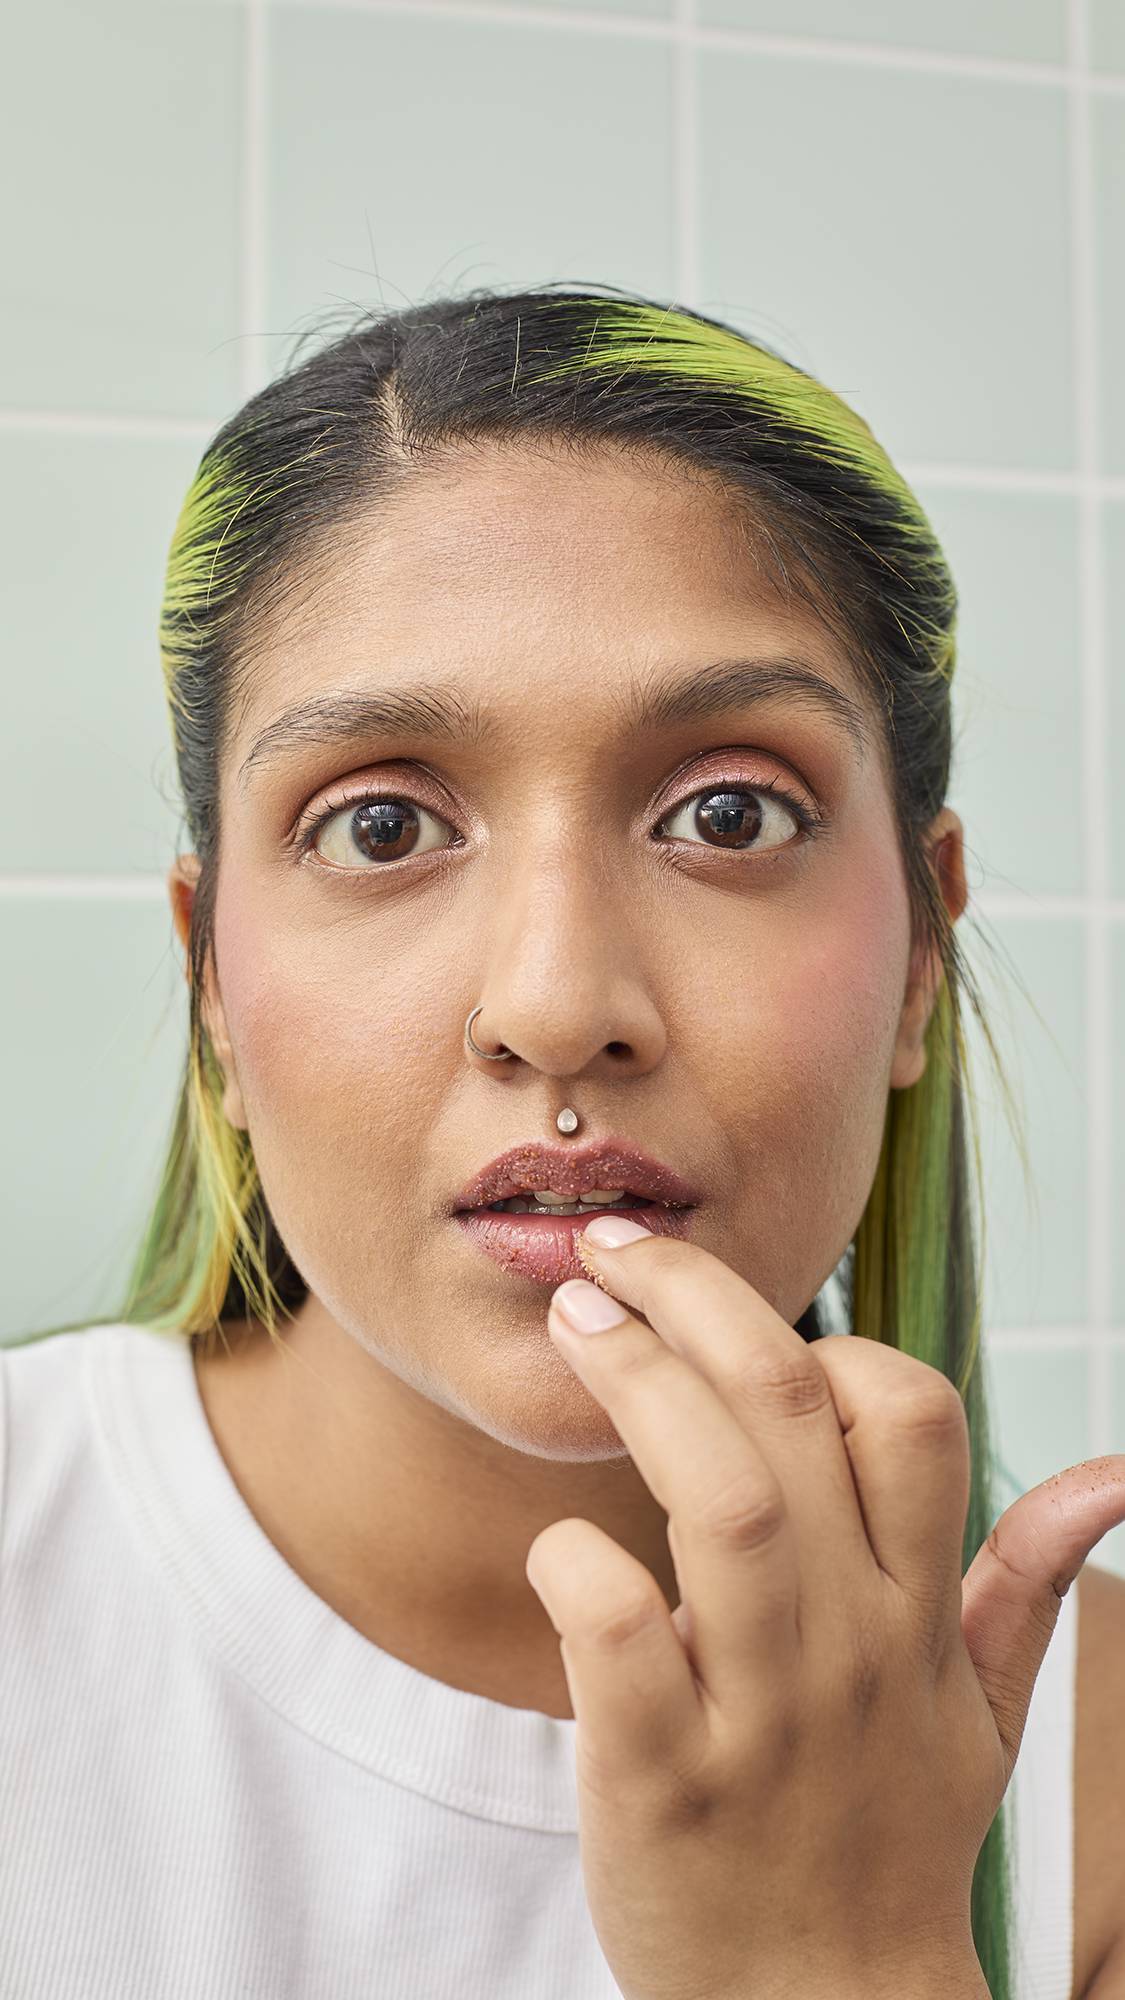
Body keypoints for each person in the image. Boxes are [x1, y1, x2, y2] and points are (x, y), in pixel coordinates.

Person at [3, 285, 1123, 1999]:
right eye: (380, 825)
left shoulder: (1096, 1775)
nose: (554, 1003)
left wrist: (845, 1963)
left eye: (724, 814)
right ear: (210, 982)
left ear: (919, 953)